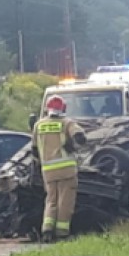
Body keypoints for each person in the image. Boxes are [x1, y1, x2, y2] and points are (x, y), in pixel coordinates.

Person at [32, 95, 86, 243]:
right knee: (65, 200)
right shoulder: (67, 123)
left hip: (48, 171)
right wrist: (73, 145)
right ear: (63, 108)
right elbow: (80, 137)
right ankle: (62, 232)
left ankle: (47, 229)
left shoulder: (39, 125)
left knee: (51, 200)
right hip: (66, 170)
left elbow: (34, 150)